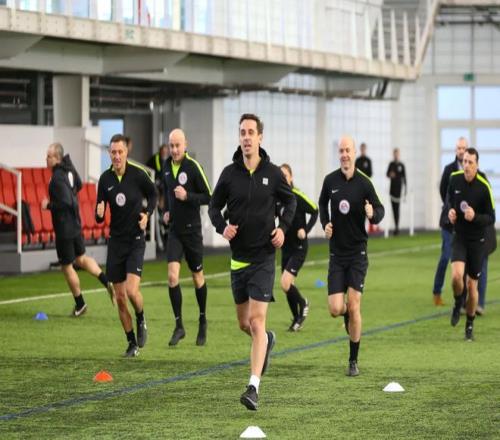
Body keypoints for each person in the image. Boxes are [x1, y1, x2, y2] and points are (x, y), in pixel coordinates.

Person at [208, 113, 296, 411]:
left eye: (250, 132)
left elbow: (291, 201)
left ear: (260, 137)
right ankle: (267, 339)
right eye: (242, 132)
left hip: (264, 258)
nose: (246, 137)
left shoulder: (273, 173)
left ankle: (253, 387)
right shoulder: (229, 174)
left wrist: (283, 229)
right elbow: (213, 207)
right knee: (244, 324)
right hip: (238, 260)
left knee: (257, 321)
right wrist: (222, 227)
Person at [318, 135, 384, 377]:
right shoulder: (330, 181)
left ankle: (353, 360)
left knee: (355, 305)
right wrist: (325, 224)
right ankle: (346, 313)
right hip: (337, 254)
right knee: (335, 308)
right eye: (341, 151)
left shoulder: (364, 184)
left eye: (348, 150)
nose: (344, 154)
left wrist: (372, 213)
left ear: (354, 153)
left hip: (357, 254)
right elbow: (321, 204)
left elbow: (380, 210)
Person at [95, 134, 157, 357]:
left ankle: (141, 317)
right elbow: (98, 214)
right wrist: (99, 214)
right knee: (120, 297)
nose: (117, 156)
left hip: (135, 240)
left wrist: (147, 214)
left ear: (126, 152)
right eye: (113, 152)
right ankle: (131, 343)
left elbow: (153, 194)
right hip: (116, 243)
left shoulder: (138, 174)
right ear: (109, 154)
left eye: (120, 152)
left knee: (131, 291)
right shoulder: (105, 179)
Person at [42, 142, 115, 316]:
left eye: (49, 156)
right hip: (75, 224)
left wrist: (48, 205)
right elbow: (79, 185)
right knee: (81, 258)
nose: (46, 159)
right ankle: (106, 281)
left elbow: (66, 202)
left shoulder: (57, 177)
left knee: (67, 266)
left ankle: (80, 304)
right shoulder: (69, 170)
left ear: (57, 158)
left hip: (64, 228)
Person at [162, 129, 212, 347]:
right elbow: (167, 193)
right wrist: (167, 210)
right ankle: (179, 326)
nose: (174, 150)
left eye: (177, 146)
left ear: (185, 145)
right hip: (175, 231)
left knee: (197, 277)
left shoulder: (193, 167)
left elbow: (209, 196)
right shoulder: (166, 167)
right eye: (171, 146)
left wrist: (187, 196)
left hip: (192, 232)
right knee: (172, 277)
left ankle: (202, 321)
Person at [448, 148, 495, 341]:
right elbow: (449, 201)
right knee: (456, 276)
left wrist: (475, 217)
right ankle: (458, 300)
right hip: (459, 236)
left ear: (477, 164)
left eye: (470, 162)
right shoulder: (454, 179)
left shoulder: (484, 187)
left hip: (477, 241)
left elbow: (491, 218)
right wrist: (450, 212)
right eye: (464, 161)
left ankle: (469, 324)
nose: (466, 166)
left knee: (472, 286)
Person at [279, 163, 318, 331]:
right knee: (287, 286)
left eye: (285, 176)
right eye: (280, 176)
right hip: (285, 247)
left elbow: (315, 210)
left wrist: (305, 230)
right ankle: (296, 319)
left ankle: (303, 303)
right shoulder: (277, 198)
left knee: (285, 283)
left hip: (299, 247)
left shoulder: (297, 196)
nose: (283, 179)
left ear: (291, 177)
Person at [432, 137, 467, 306]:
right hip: (448, 223)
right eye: (459, 148)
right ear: (456, 150)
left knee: (463, 261)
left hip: (464, 225)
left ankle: (462, 296)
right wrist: (450, 208)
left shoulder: (469, 169)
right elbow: (442, 190)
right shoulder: (449, 169)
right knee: (445, 257)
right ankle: (437, 292)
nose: (461, 151)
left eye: (463, 148)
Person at [386, 148, 406, 235]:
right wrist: (390, 174)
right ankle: (396, 226)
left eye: (397, 154)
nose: (396, 155)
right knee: (394, 209)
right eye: (395, 154)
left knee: (397, 209)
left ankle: (397, 227)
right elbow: (387, 174)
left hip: (399, 190)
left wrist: (405, 191)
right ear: (393, 154)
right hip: (392, 190)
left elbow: (404, 178)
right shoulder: (391, 164)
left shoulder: (401, 165)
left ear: (399, 154)